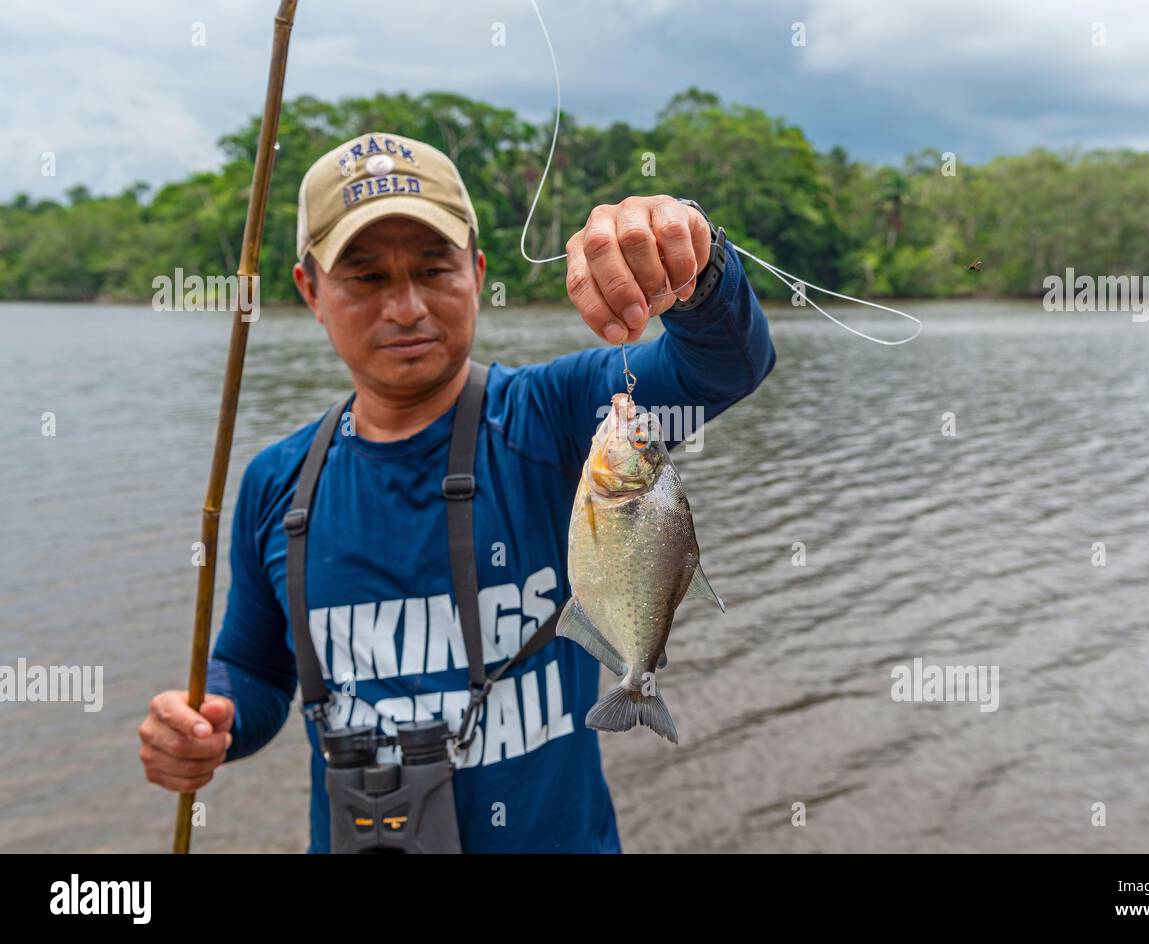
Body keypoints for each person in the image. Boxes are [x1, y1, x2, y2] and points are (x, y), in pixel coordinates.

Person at [138, 131, 776, 852]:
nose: (406, 307)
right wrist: (207, 723)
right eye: (366, 277)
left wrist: (694, 257)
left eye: (435, 269)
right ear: (310, 290)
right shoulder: (276, 485)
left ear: (476, 270)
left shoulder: (558, 416)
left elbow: (727, 363)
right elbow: (256, 669)